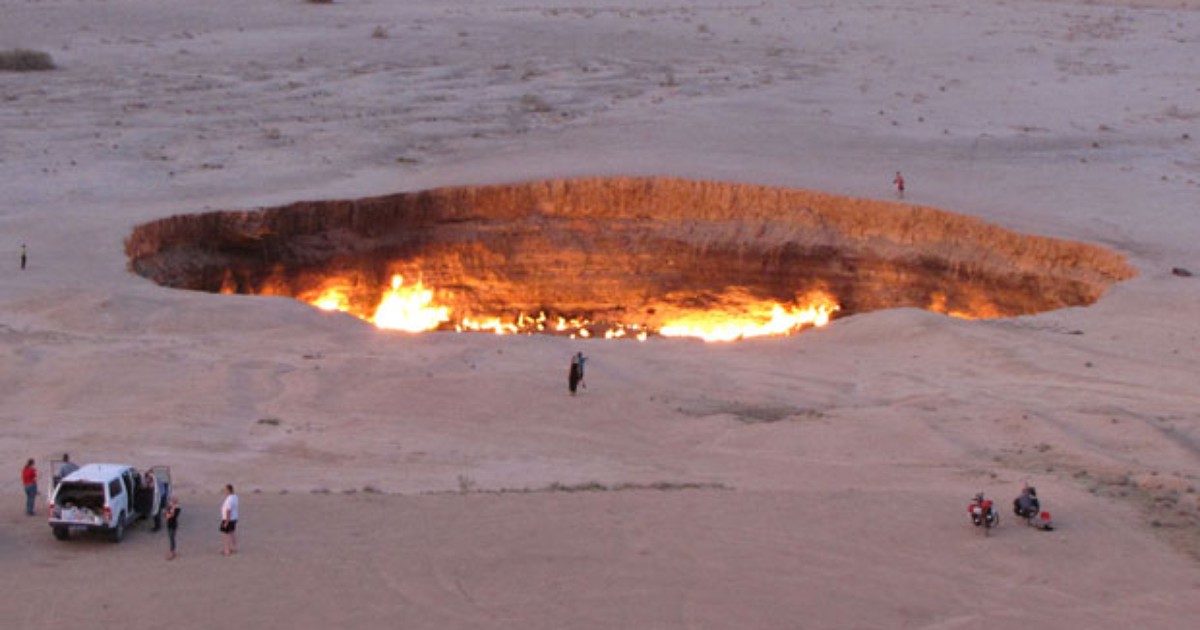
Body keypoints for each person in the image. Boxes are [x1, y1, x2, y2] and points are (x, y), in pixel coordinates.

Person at [220, 484, 239, 556]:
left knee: (226, 535)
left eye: (225, 490)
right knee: (232, 533)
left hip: (228, 519)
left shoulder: (229, 499)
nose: (224, 491)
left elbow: (228, 510)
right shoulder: (235, 497)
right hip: (234, 518)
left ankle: (226, 551)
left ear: (229, 490)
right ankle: (234, 548)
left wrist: (226, 522)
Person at [165, 496, 181, 560]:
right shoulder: (169, 508)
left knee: (172, 538)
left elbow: (171, 515)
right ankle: (172, 551)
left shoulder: (177, 509)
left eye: (171, 502)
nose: (170, 503)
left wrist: (172, 510)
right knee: (171, 538)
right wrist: (169, 513)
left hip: (173, 525)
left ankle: (172, 551)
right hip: (169, 525)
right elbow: (167, 516)